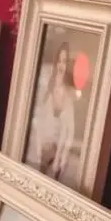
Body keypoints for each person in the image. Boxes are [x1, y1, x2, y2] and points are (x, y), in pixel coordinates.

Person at [28, 42, 76, 184]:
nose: (61, 65)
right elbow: (37, 119)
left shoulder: (68, 93)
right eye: (59, 61)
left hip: (56, 152)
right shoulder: (46, 86)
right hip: (40, 147)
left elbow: (69, 130)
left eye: (65, 62)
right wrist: (38, 148)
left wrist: (61, 157)